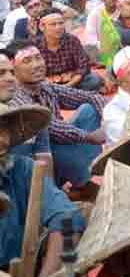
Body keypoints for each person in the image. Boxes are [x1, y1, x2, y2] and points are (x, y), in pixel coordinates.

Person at [0, 104, 88, 277]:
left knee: (70, 246)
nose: (2, 139)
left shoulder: (23, 169)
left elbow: (67, 218)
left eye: (4, 128)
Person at [7, 39, 107, 189]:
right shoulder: (14, 97)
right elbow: (51, 127)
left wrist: (107, 120)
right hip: (37, 158)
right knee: (51, 137)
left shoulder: (44, 86)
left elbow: (91, 96)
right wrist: (89, 136)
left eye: (38, 58)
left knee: (89, 110)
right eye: (27, 61)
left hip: (62, 143)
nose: (36, 65)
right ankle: (83, 183)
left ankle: (83, 178)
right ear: (13, 69)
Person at [35, 9, 102, 92]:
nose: (58, 27)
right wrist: (50, 83)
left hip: (72, 81)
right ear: (42, 27)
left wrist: (68, 85)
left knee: (94, 80)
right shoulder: (35, 45)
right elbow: (34, 73)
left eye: (61, 23)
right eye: (53, 24)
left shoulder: (72, 40)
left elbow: (83, 66)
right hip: (48, 83)